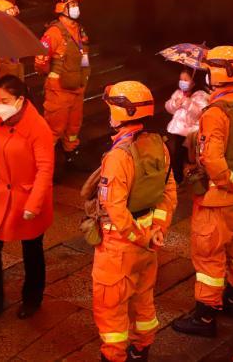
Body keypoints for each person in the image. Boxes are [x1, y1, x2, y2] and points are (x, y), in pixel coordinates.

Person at [173, 46, 233, 338]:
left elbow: (212, 159)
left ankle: (205, 316)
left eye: (211, 67)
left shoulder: (215, 112)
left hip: (218, 198)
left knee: (209, 257)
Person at [92, 81, 177, 362]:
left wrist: (140, 235)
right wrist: (157, 230)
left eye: (112, 108)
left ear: (124, 113)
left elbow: (115, 209)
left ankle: (114, 357)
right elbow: (169, 192)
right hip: (148, 241)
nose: (110, 113)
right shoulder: (158, 146)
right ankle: (142, 350)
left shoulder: (119, 156)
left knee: (111, 307)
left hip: (120, 248)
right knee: (143, 299)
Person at [0, 75, 54, 323]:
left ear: (20, 100)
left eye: (4, 100)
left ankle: (32, 298)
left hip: (27, 196)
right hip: (0, 194)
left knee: (32, 249)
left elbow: (45, 169)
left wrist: (34, 204)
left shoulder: (37, 127)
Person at [35, 0, 90, 168]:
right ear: (62, 7)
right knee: (54, 128)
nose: (76, 8)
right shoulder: (53, 33)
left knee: (74, 127)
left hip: (77, 87)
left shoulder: (79, 30)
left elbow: (84, 56)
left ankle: (70, 153)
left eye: (77, 5)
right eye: (72, 4)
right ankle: (45, 163)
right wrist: (48, 74)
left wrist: (84, 77)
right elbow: (40, 60)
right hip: (58, 89)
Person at [164, 69, 209, 184]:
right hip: (176, 130)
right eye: (181, 79)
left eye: (185, 80)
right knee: (175, 157)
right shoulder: (178, 93)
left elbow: (200, 113)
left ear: (193, 82)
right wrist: (175, 104)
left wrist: (187, 103)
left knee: (187, 157)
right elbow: (168, 107)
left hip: (189, 133)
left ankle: (187, 179)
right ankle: (178, 180)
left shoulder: (201, 95)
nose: (182, 82)